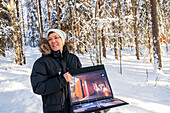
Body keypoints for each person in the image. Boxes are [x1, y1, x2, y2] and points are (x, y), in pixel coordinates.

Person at [30, 29, 82, 113]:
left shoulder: (73, 59)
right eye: (50, 39)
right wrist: (62, 80)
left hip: (75, 108)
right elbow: (38, 87)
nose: (53, 41)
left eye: (56, 37)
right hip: (54, 110)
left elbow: (81, 81)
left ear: (62, 40)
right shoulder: (41, 62)